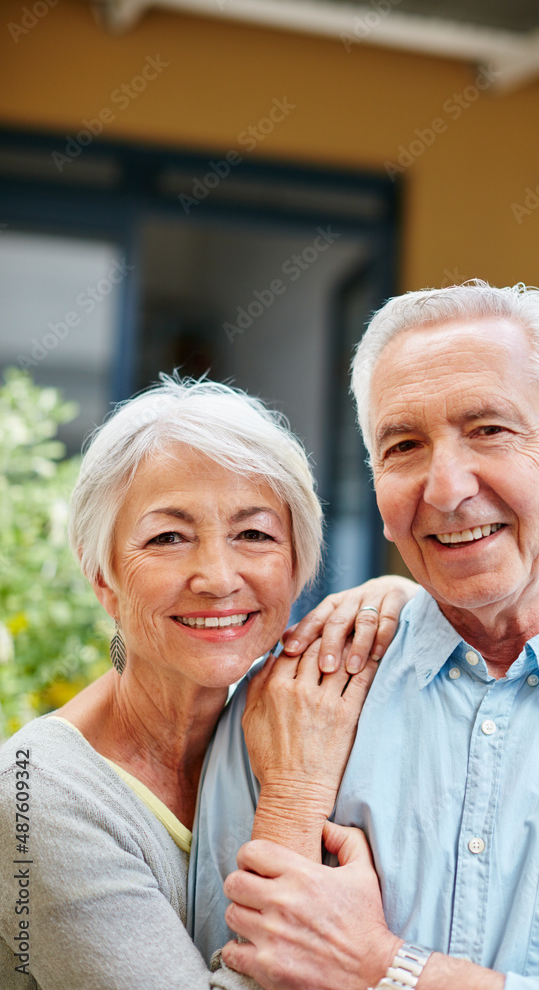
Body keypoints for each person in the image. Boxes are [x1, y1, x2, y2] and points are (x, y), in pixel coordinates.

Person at [190, 281, 539, 990]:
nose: (443, 489)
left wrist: (388, 971)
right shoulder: (291, 700)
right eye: (403, 445)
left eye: (489, 430)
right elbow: (212, 972)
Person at [0, 375, 416, 990]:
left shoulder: (289, 705)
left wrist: (398, 600)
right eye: (169, 537)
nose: (218, 577)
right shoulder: (37, 800)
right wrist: (292, 798)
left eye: (254, 534)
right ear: (102, 576)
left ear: (299, 566)